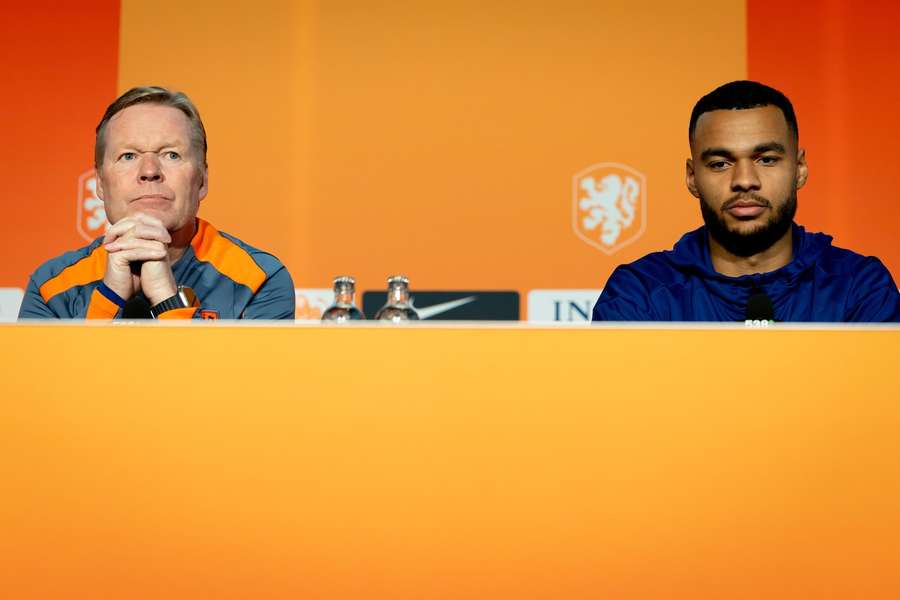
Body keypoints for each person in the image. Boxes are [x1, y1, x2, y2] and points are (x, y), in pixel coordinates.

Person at [592, 80, 899, 322]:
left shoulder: (859, 287)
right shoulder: (640, 293)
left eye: (766, 159)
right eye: (720, 164)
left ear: (800, 169)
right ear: (691, 177)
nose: (744, 180)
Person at [18, 87, 295, 320]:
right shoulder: (50, 288)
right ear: (100, 183)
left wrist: (166, 297)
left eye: (171, 155)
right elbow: (52, 384)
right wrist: (110, 296)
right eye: (128, 156)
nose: (149, 170)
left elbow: (240, 385)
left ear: (202, 181)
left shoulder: (259, 281)